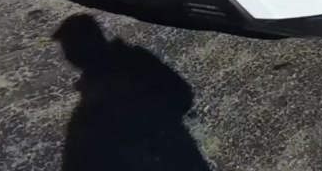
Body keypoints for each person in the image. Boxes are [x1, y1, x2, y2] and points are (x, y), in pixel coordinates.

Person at [53, 14, 210, 171]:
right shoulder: (139, 62)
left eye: (68, 49)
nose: (67, 56)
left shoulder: (90, 110)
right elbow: (183, 95)